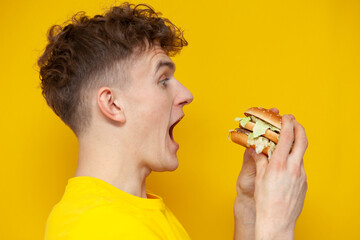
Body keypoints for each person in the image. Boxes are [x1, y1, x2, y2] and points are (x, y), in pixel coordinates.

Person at [38, 2, 308, 240]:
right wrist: (277, 227)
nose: (186, 95)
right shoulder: (97, 229)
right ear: (112, 104)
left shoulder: (130, 212)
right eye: (163, 80)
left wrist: (249, 204)